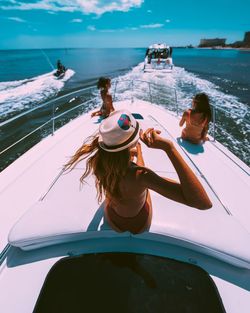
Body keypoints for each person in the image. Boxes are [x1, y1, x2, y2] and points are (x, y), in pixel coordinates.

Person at [65, 110, 212, 234]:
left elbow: (129, 171)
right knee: (146, 189)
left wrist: (135, 154)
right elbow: (203, 203)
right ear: (134, 143)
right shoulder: (142, 176)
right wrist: (169, 148)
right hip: (138, 225)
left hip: (112, 219)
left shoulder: (98, 162)